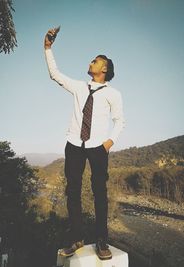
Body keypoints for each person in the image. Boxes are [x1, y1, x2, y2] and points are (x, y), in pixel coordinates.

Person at [44, 27, 125, 260]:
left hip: (98, 147)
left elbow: (120, 121)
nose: (90, 62)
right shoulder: (80, 87)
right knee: (73, 192)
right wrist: (48, 48)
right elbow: (55, 74)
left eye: (95, 60)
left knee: (99, 192)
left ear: (104, 68)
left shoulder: (113, 94)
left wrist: (109, 142)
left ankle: (102, 240)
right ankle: (76, 238)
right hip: (74, 145)